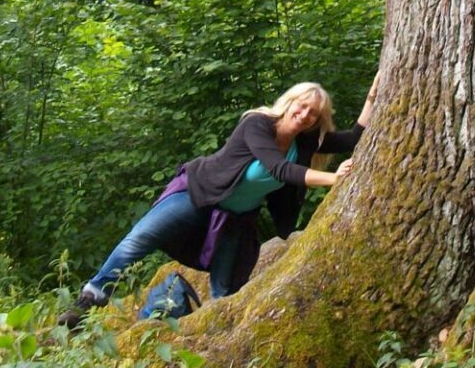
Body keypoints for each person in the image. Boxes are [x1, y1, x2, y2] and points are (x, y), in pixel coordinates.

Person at [63, 77, 377, 326]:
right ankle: (90, 299)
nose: (306, 115)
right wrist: (334, 179)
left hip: (236, 217)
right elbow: (278, 168)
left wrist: (374, 97)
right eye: (303, 105)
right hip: (198, 195)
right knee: (139, 240)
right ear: (290, 101)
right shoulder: (257, 124)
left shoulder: (305, 139)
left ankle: (203, 338)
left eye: (314, 114)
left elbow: (352, 138)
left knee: (226, 293)